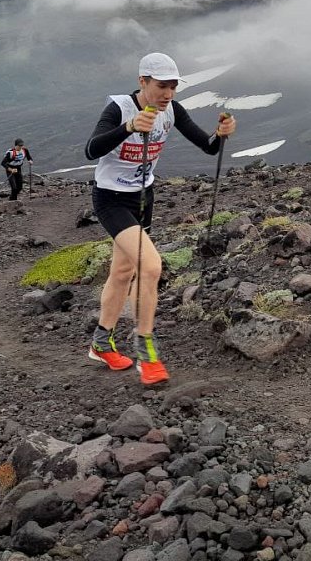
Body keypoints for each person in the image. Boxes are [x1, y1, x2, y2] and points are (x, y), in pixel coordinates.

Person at [84, 52, 236, 384]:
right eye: (161, 86)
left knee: (123, 270)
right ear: (143, 82)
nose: (168, 94)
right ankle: (146, 354)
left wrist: (221, 133)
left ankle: (101, 342)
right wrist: (128, 127)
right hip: (110, 198)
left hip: (143, 197)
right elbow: (91, 150)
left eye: (172, 87)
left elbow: (208, 147)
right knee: (151, 266)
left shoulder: (172, 111)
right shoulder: (120, 108)